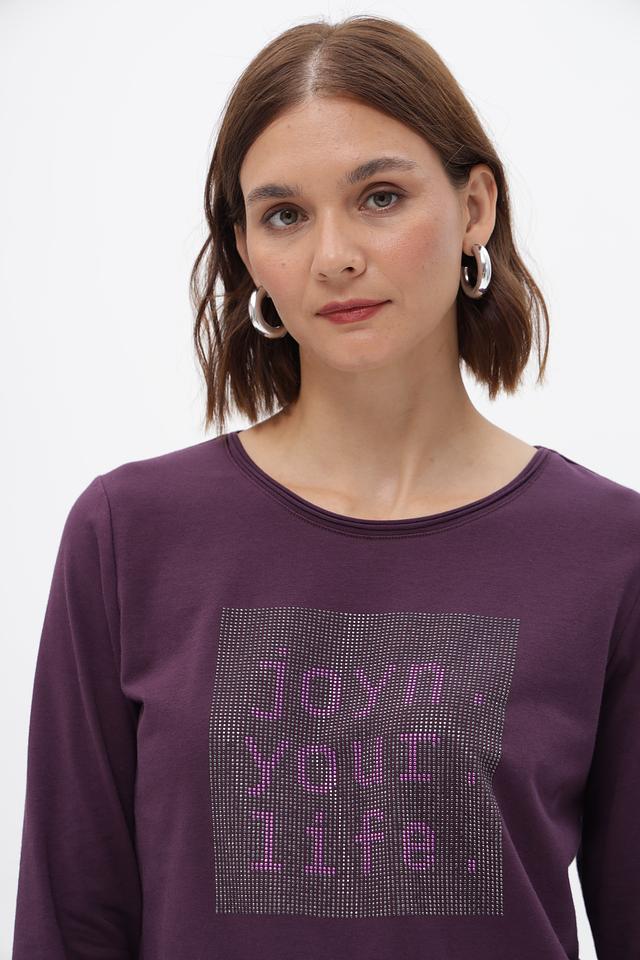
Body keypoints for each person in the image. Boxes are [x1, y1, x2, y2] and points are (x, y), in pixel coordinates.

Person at [11, 14, 640, 960]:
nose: (334, 255)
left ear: (475, 207)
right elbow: (70, 925)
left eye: (380, 197)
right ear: (246, 249)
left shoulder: (609, 552)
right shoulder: (129, 534)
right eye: (285, 215)